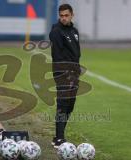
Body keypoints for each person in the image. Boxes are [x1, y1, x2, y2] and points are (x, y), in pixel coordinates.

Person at [49, 4, 81, 148]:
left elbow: (76, 53)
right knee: (63, 103)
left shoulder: (74, 31)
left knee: (70, 105)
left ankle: (58, 136)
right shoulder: (56, 31)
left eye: (66, 15)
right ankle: (60, 139)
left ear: (72, 15)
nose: (63, 18)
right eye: (61, 15)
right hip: (63, 72)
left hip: (74, 71)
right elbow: (58, 55)